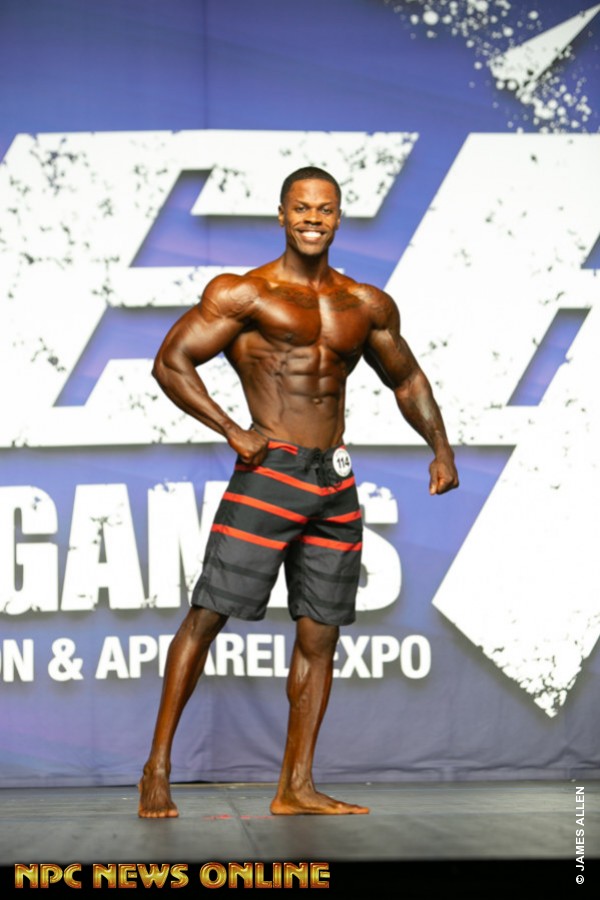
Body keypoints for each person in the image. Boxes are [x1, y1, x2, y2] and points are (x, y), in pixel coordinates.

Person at [138, 166, 459, 818]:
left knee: (321, 635)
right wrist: (232, 428)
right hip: (270, 473)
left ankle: (296, 786)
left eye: (325, 209)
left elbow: (407, 379)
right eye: (302, 208)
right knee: (208, 615)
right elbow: (171, 361)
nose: (314, 218)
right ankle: (157, 769)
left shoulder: (365, 304)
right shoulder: (244, 294)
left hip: (333, 482)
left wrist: (441, 447)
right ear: (282, 214)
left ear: (338, 218)